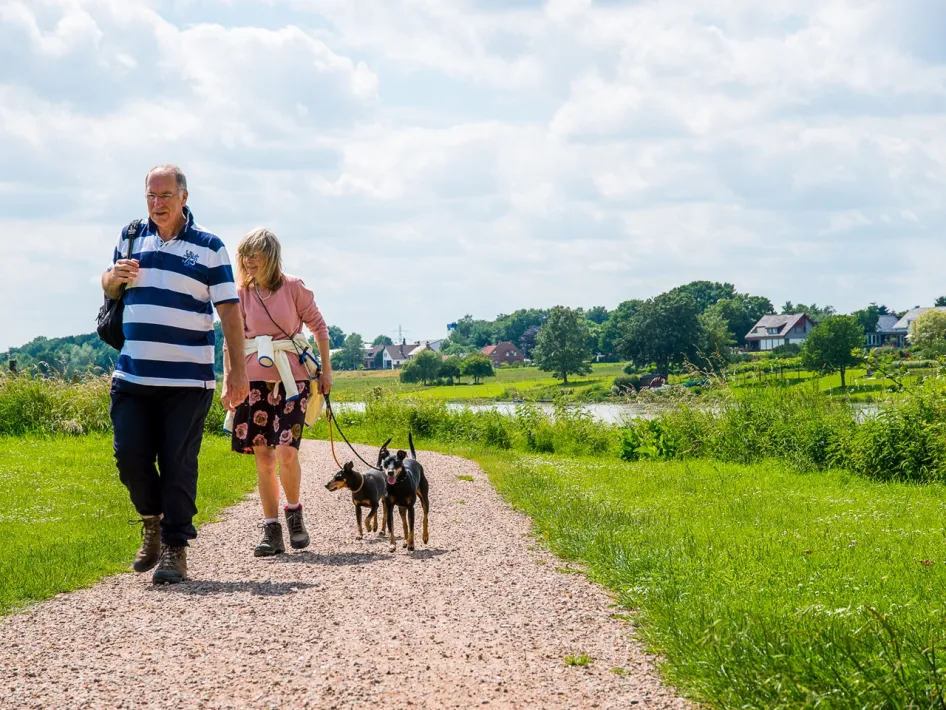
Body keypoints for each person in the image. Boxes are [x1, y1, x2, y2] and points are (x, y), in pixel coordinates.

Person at [103, 164, 249, 585]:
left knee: (178, 463)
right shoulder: (131, 236)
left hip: (188, 380)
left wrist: (235, 372)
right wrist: (113, 278)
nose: (156, 204)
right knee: (129, 457)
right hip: (132, 376)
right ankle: (151, 520)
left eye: (165, 196)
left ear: (184, 197)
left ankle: (174, 546)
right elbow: (109, 287)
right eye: (150, 195)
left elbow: (228, 312)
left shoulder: (209, 247)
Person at [223, 228, 333, 557]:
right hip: (252, 381)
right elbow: (231, 340)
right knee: (263, 456)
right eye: (245, 255)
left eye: (255, 254)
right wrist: (229, 377)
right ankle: (271, 529)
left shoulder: (294, 288)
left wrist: (326, 371)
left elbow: (319, 328)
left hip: (292, 381)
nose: (248, 261)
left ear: (271, 256)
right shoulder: (239, 294)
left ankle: (294, 514)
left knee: (286, 451)